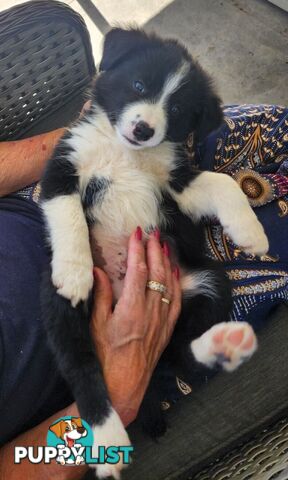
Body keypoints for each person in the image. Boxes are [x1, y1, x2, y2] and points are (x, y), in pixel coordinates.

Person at [0, 103, 287, 479]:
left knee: (273, 127)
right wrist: (115, 402)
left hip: (48, 203)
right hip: (115, 344)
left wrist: (83, 136)